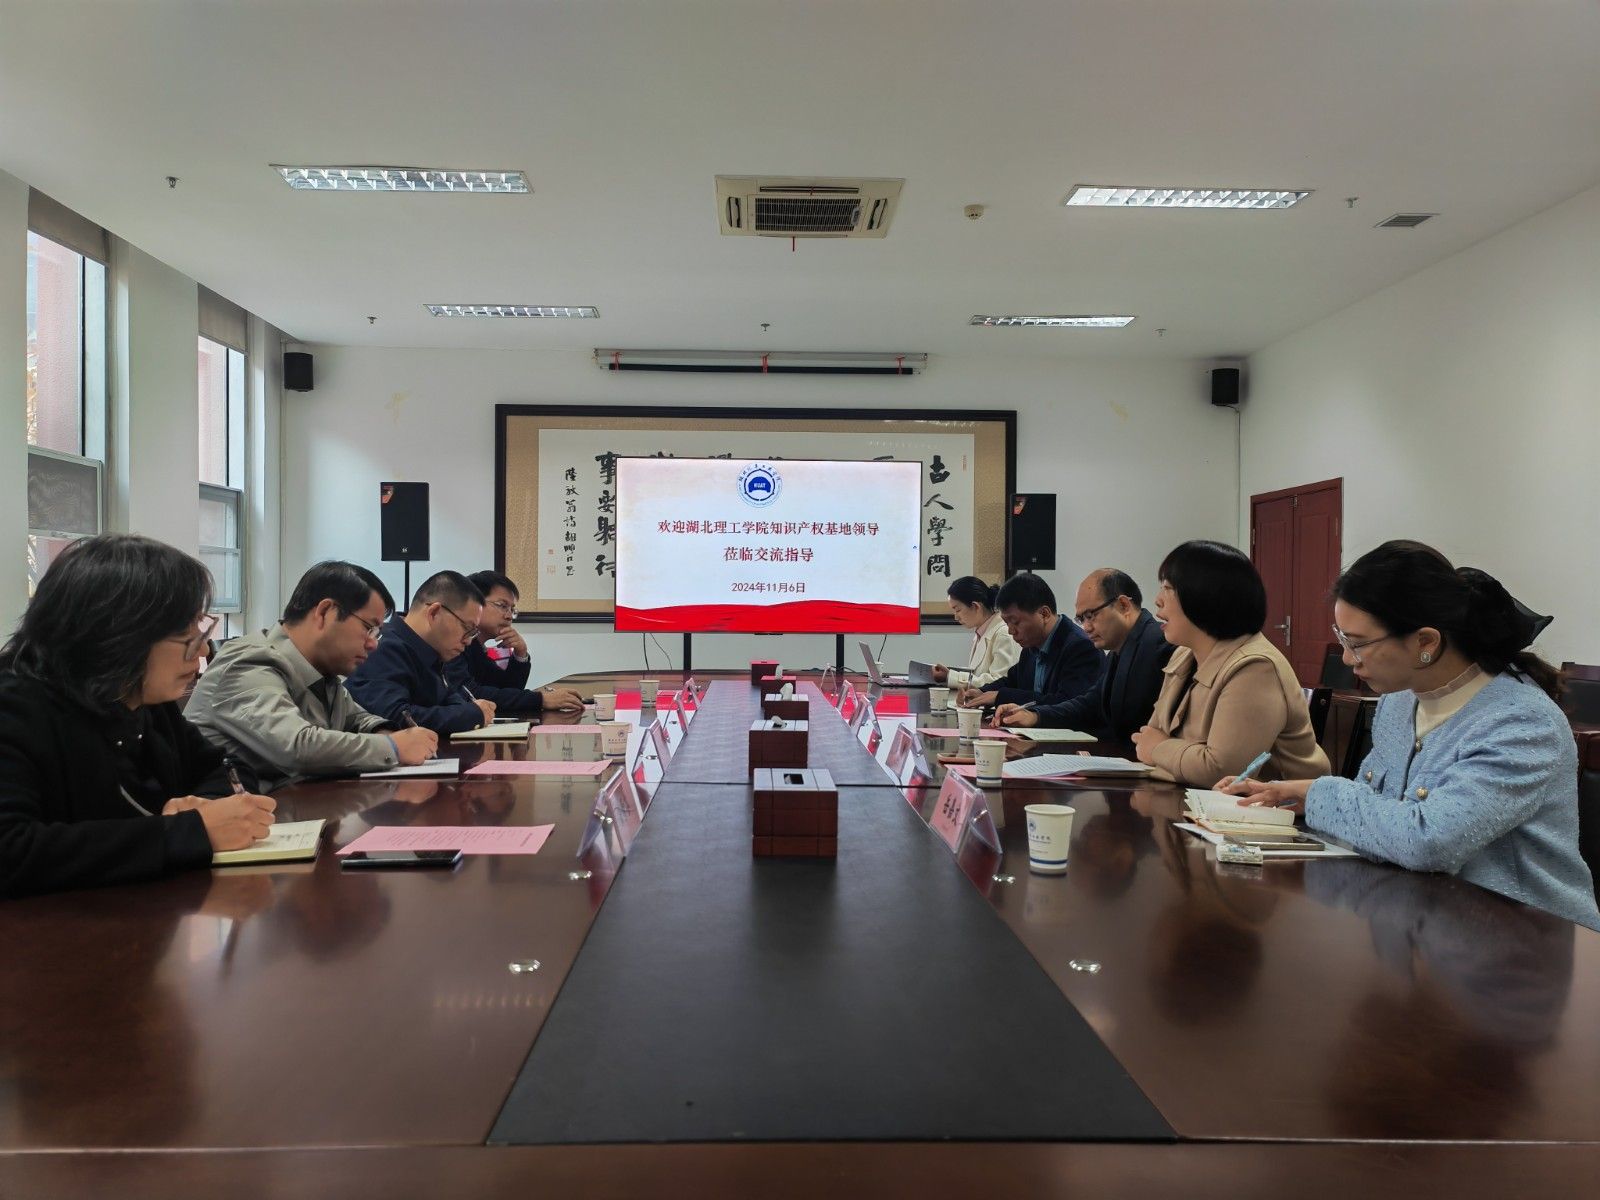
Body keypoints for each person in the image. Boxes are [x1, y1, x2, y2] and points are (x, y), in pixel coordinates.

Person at [1225, 540, 1600, 930]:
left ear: (1426, 642)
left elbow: (1429, 840)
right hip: (1421, 919)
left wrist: (1319, 794)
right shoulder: (1399, 702)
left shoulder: (1521, 722)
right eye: (1343, 638)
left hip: (1522, 938)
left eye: (1358, 643)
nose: (1348, 659)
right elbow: (1378, 807)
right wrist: (1298, 796)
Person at [0, 534, 277, 897]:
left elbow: (227, 767)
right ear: (118, 636)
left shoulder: (140, 698)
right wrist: (189, 832)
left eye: (201, 629)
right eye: (187, 636)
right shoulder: (16, 707)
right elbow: (11, 850)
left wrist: (206, 807)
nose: (202, 651)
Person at [186, 561, 438, 790]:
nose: (373, 644)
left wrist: (386, 734)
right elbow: (297, 746)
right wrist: (393, 747)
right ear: (325, 612)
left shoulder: (322, 673)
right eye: (368, 628)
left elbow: (357, 719)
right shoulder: (249, 662)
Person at [1131, 540, 1328, 786]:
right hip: (1194, 798)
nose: (1158, 600)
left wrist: (1159, 749)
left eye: (1168, 588)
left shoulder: (1255, 667)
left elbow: (1223, 773)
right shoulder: (1184, 654)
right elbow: (1149, 739)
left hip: (1271, 808)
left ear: (1204, 596)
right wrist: (1163, 751)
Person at [994, 568, 1173, 752]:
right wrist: (1035, 716)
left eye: (1090, 616)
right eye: (1081, 619)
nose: (1086, 627)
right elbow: (1090, 704)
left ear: (1123, 605)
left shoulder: (1158, 644)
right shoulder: (1119, 650)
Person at [346, 571, 495, 735]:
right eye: (467, 628)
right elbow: (394, 718)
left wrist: (469, 710)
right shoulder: (384, 648)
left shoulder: (431, 652)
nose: (468, 641)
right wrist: (472, 714)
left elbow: (451, 702)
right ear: (434, 613)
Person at [955, 572, 1102, 709]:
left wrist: (1001, 697)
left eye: (1015, 622)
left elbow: (1066, 704)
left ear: (1044, 614)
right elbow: (1012, 681)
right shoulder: (1031, 646)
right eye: (1006, 623)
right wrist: (982, 692)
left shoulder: (1081, 647)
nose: (1011, 631)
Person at [451, 570, 583, 715]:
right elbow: (471, 694)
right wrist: (540, 699)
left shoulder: (476, 647)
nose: (509, 616)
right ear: (474, 603)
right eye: (502, 606)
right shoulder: (452, 643)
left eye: (512, 609)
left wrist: (520, 654)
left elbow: (505, 690)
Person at [931, 576, 1021, 688]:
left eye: (958, 610)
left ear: (975, 606)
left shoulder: (1003, 633)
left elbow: (1000, 681)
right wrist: (951, 674)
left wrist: (951, 676)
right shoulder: (981, 632)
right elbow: (977, 674)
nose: (956, 617)